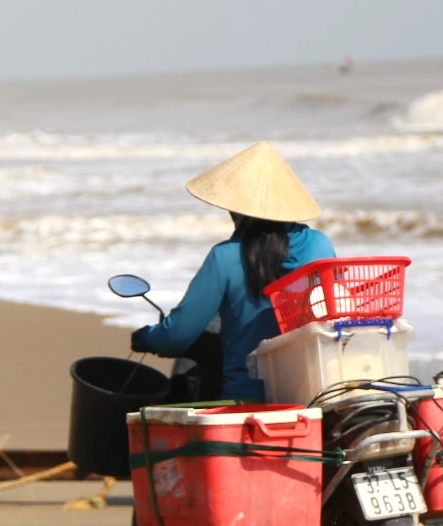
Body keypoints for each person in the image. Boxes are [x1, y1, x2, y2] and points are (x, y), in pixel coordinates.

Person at [129, 141, 336, 403]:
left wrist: (146, 337)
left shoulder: (224, 257)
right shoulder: (321, 244)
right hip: (312, 395)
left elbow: (177, 336)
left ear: (238, 209)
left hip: (246, 401)